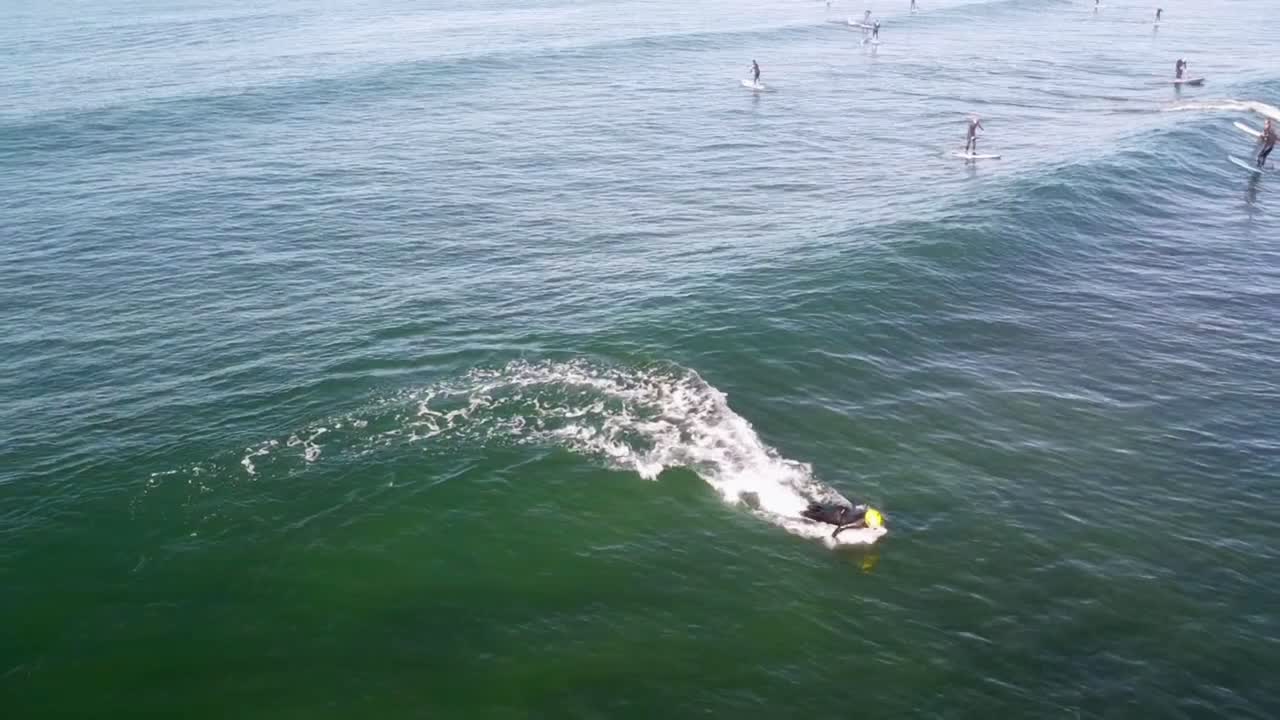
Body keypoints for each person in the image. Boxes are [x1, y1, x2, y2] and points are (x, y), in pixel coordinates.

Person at [802, 502, 886, 538]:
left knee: (821, 509)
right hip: (834, 517)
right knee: (812, 515)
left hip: (841, 509)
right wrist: (833, 538)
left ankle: (811, 505)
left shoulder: (865, 511)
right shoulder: (858, 522)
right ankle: (800, 512)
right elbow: (842, 527)